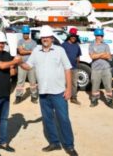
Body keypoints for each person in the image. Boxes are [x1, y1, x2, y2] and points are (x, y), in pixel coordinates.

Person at [20, 25, 78, 156]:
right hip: (43, 93)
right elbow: (28, 66)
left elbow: (68, 69)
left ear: (51, 38)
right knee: (48, 119)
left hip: (58, 92)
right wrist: (18, 62)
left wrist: (69, 89)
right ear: (41, 38)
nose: (45, 39)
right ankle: (54, 142)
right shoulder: (36, 51)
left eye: (47, 37)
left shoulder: (59, 50)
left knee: (63, 119)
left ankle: (69, 145)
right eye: (43, 37)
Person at [0, 31, 21, 156]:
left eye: (2, 42)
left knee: (4, 119)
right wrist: (14, 62)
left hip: (5, 93)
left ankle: (3, 142)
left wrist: (13, 65)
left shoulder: (7, 54)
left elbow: (12, 72)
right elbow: (1, 66)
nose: (1, 44)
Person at [89, 28, 113, 109]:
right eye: (98, 35)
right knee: (95, 85)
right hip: (95, 69)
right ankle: (94, 100)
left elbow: (109, 56)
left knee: (108, 85)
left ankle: (110, 101)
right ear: (95, 36)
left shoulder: (106, 45)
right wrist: (103, 54)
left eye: (101, 35)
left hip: (106, 69)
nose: (100, 37)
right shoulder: (91, 45)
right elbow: (92, 56)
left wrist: (97, 55)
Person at [14, 25, 38, 104]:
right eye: (24, 33)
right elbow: (21, 52)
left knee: (33, 82)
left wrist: (25, 51)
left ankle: (34, 96)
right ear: (22, 33)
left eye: (27, 33)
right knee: (20, 81)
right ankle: (18, 96)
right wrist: (30, 51)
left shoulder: (34, 42)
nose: (25, 35)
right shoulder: (20, 41)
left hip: (31, 65)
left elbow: (34, 53)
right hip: (22, 64)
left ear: (29, 33)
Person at [61, 27, 82, 105]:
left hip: (74, 68)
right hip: (65, 68)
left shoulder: (77, 45)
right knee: (63, 83)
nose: (73, 37)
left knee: (74, 83)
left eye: (75, 36)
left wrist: (77, 63)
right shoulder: (63, 45)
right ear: (69, 36)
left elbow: (78, 56)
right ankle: (62, 97)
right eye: (72, 35)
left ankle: (73, 98)